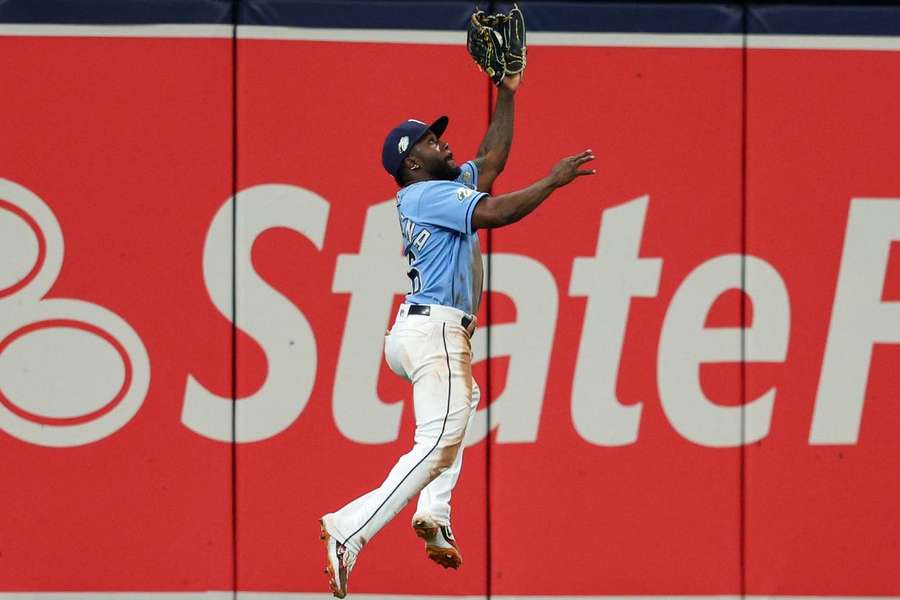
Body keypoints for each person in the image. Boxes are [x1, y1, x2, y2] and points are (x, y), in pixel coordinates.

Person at [319, 73, 594, 598]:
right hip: (436, 332)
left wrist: (508, 93)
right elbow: (495, 210)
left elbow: (490, 162)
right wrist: (552, 181)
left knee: (463, 401)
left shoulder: (437, 189)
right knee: (437, 442)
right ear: (413, 164)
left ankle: (433, 511)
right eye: (429, 139)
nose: (442, 139)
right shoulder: (426, 195)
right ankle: (348, 531)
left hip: (419, 330)